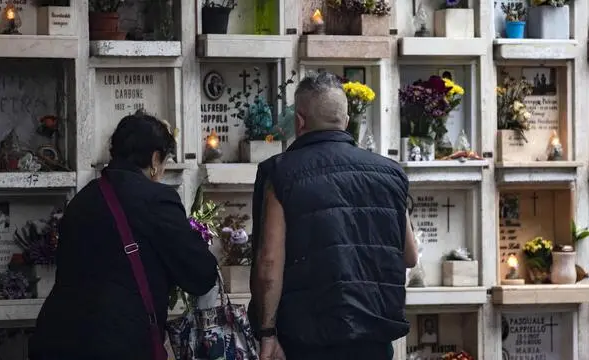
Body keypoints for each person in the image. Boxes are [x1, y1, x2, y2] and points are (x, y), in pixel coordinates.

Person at [248, 71, 419, 360]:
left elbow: (269, 262)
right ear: (347, 122)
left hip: (306, 339)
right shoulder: (390, 174)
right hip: (374, 338)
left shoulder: (282, 174)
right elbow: (410, 256)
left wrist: (267, 333)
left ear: (300, 122)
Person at [28, 113, 219, 360]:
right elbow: (201, 275)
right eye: (165, 161)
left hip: (54, 340)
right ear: (154, 159)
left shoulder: (81, 200)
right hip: (117, 343)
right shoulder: (156, 199)